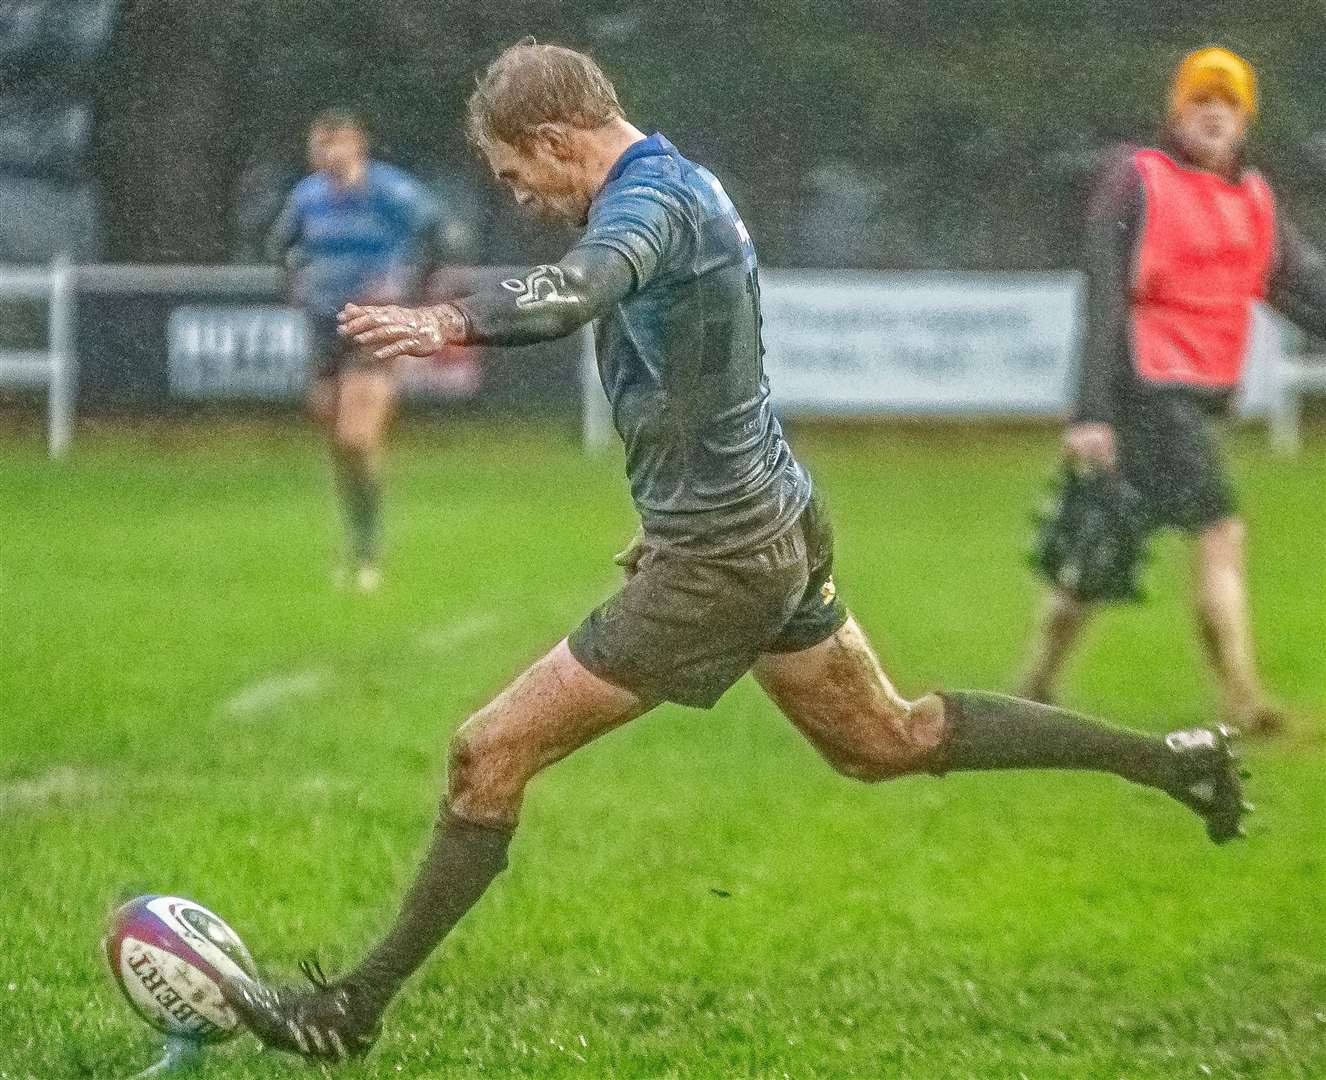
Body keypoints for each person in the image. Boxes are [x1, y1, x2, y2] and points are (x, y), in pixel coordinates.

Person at [225, 43, 1249, 1063]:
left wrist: (446, 316)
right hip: (768, 520)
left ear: (550, 140)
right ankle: (1168, 762)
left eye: (514, 174)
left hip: (725, 555)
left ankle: (348, 1009)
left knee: (485, 754)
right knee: (884, 739)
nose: (521, 196)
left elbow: (578, 289)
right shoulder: (683, 183)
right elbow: (715, 367)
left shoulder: (644, 208)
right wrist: (680, 506)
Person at [1018, 47, 1326, 733]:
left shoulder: (1253, 201)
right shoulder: (1139, 180)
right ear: (1177, 113)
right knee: (1220, 529)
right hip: (1148, 387)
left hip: (1192, 397)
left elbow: (1304, 288)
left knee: (1104, 545)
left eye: (1229, 104)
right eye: (1200, 101)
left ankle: (1037, 680)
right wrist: (1091, 411)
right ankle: (1243, 698)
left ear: (1245, 121)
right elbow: (1103, 293)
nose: (1214, 114)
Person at [267, 109, 440, 592]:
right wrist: (294, 286)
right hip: (325, 325)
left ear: (357, 145)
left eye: (336, 143)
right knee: (337, 441)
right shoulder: (307, 198)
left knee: (357, 437)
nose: (328, 154)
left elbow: (439, 233)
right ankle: (358, 543)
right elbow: (280, 246)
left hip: (372, 325)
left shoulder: (388, 191)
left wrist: (408, 294)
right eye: (320, 146)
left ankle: (369, 552)